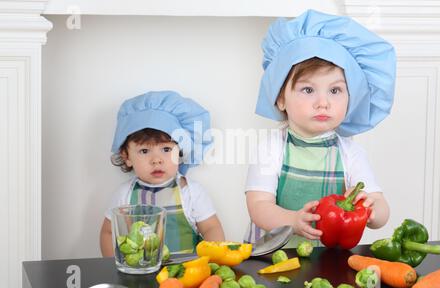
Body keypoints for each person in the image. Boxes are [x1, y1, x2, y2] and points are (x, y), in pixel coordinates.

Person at [245, 10, 396, 246]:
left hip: (329, 257)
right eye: (308, 90)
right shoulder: (271, 148)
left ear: (351, 98)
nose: (323, 102)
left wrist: (373, 209)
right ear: (280, 98)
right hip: (276, 255)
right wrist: (292, 219)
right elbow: (258, 206)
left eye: (335, 90)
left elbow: (381, 209)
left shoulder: (350, 153)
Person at [100, 91, 225, 257]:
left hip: (186, 275)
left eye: (166, 149)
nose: (156, 160)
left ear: (180, 152)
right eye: (144, 151)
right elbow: (108, 233)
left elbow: (211, 228)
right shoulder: (125, 194)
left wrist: (213, 262)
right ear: (126, 156)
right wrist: (112, 267)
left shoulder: (191, 192)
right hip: (143, 275)